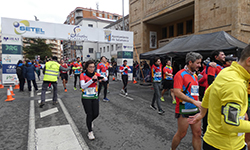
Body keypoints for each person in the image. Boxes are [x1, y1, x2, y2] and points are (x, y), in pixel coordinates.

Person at [188, 45, 250, 150]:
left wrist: (202, 113)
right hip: (226, 146)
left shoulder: (228, 71)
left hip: (214, 141)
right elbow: (230, 125)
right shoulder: (234, 83)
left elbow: (209, 91)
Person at [171, 52, 202, 150]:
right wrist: (194, 102)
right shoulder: (180, 74)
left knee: (197, 133)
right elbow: (177, 92)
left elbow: (195, 93)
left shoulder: (195, 75)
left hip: (195, 109)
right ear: (190, 62)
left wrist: (199, 104)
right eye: (197, 63)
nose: (199, 65)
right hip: (183, 109)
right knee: (181, 134)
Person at [80, 60, 107, 140]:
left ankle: (90, 122)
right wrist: (92, 80)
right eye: (90, 67)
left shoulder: (96, 74)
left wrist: (101, 78)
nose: (92, 69)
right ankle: (90, 132)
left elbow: (105, 78)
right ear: (87, 68)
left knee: (96, 113)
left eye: (93, 67)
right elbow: (83, 86)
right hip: (86, 97)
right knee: (89, 114)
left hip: (94, 96)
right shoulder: (83, 75)